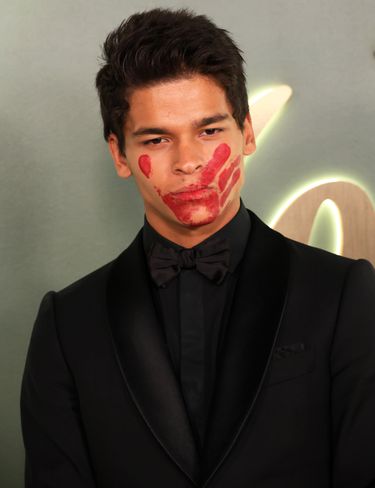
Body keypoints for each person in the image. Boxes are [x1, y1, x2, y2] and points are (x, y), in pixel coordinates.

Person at [20, 8, 375, 488]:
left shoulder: (343, 293)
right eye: (157, 138)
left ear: (247, 132)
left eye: (209, 131)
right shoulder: (67, 324)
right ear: (118, 154)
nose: (189, 162)